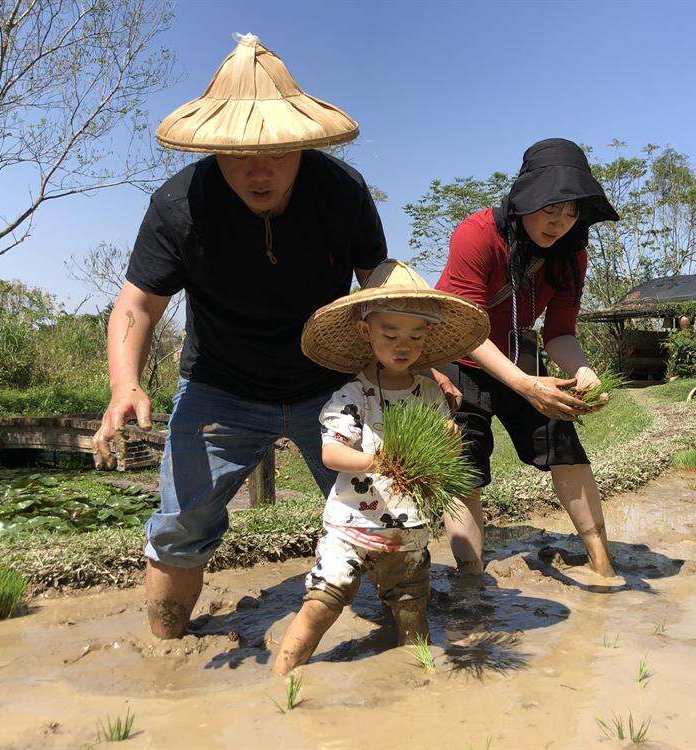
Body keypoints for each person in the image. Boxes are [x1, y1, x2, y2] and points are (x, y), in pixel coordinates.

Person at [90, 34, 457, 639]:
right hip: (219, 385)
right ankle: (165, 657)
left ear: (303, 144)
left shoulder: (341, 193)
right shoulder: (180, 203)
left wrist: (419, 362)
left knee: (388, 507)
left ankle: (408, 646)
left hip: (330, 386)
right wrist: (124, 383)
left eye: (277, 155)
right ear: (216, 147)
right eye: (239, 156)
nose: (258, 171)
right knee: (181, 527)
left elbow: (378, 286)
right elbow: (138, 302)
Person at [274, 260, 489, 675]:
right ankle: (281, 677)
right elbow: (332, 455)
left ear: (428, 336)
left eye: (414, 335)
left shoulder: (430, 393)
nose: (402, 345)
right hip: (351, 525)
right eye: (390, 334)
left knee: (412, 615)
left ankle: (415, 690)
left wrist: (447, 437)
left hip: (408, 532)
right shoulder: (353, 395)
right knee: (322, 604)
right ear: (365, 332)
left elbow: (444, 464)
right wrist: (381, 461)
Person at [436, 138, 621, 578]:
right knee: (466, 466)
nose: (559, 222)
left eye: (572, 212)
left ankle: (603, 563)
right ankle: (471, 577)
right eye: (551, 209)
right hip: (460, 358)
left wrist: (582, 370)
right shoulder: (477, 234)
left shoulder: (572, 255)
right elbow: (466, 331)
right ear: (526, 199)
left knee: (564, 445)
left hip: (520, 354)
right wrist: (524, 384)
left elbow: (559, 333)